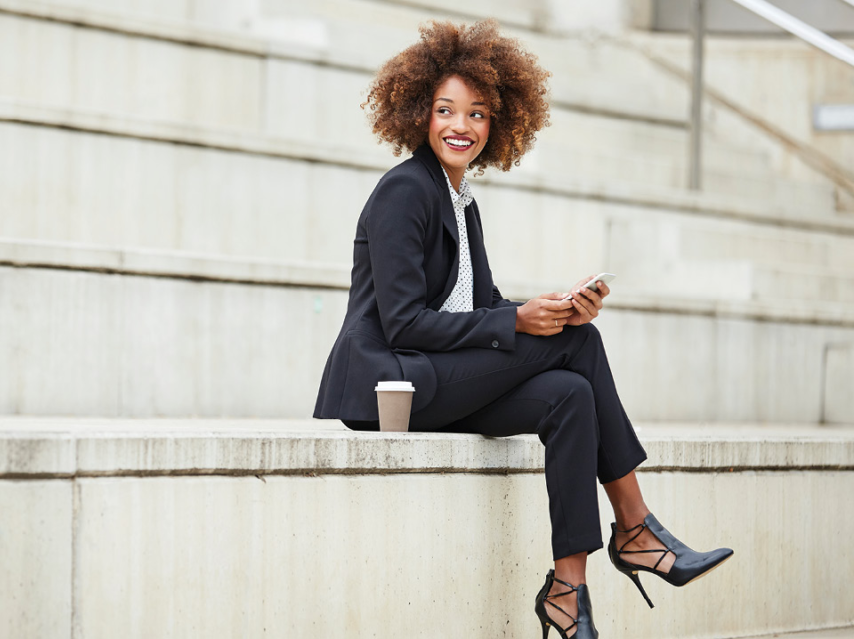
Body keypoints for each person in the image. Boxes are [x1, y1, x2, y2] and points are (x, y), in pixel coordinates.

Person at [313, 19, 732, 638]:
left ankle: (568, 590)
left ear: (498, 124)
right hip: (391, 386)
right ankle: (636, 530)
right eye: (446, 110)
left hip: (439, 378)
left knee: (572, 394)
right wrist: (519, 322)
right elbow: (404, 324)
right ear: (418, 114)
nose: (462, 126)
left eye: (478, 113)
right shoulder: (405, 192)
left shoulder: (461, 202)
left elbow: (478, 304)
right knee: (580, 348)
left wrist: (554, 310)